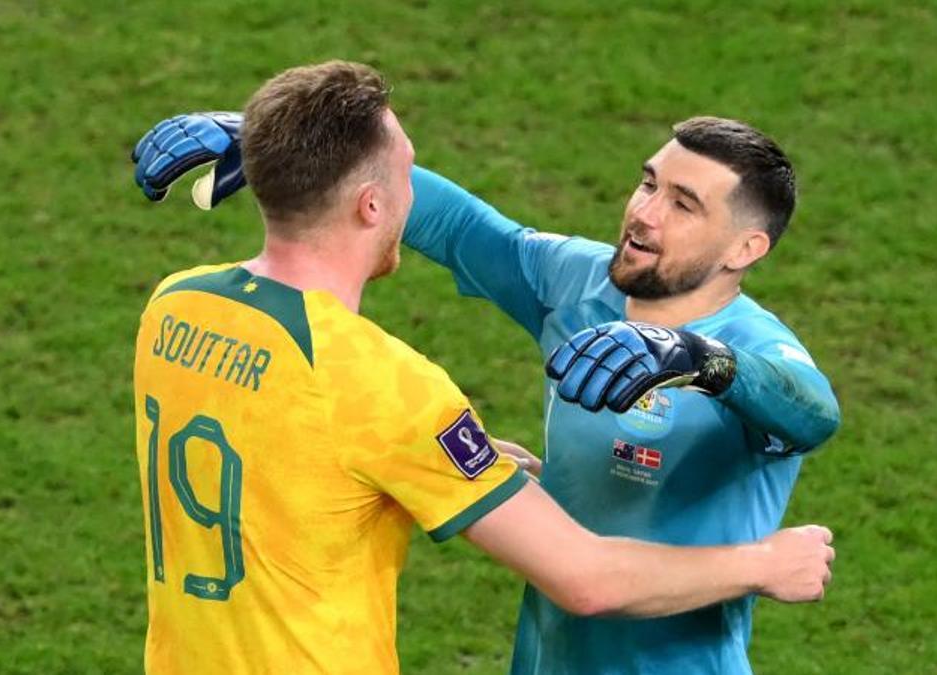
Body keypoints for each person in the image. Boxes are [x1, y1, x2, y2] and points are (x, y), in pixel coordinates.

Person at [132, 61, 835, 675]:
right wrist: (285, 145)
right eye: (648, 184)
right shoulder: (576, 284)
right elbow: (460, 227)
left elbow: (810, 410)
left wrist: (703, 361)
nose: (644, 214)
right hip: (546, 654)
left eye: (683, 204)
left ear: (746, 247)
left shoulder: (173, 301)